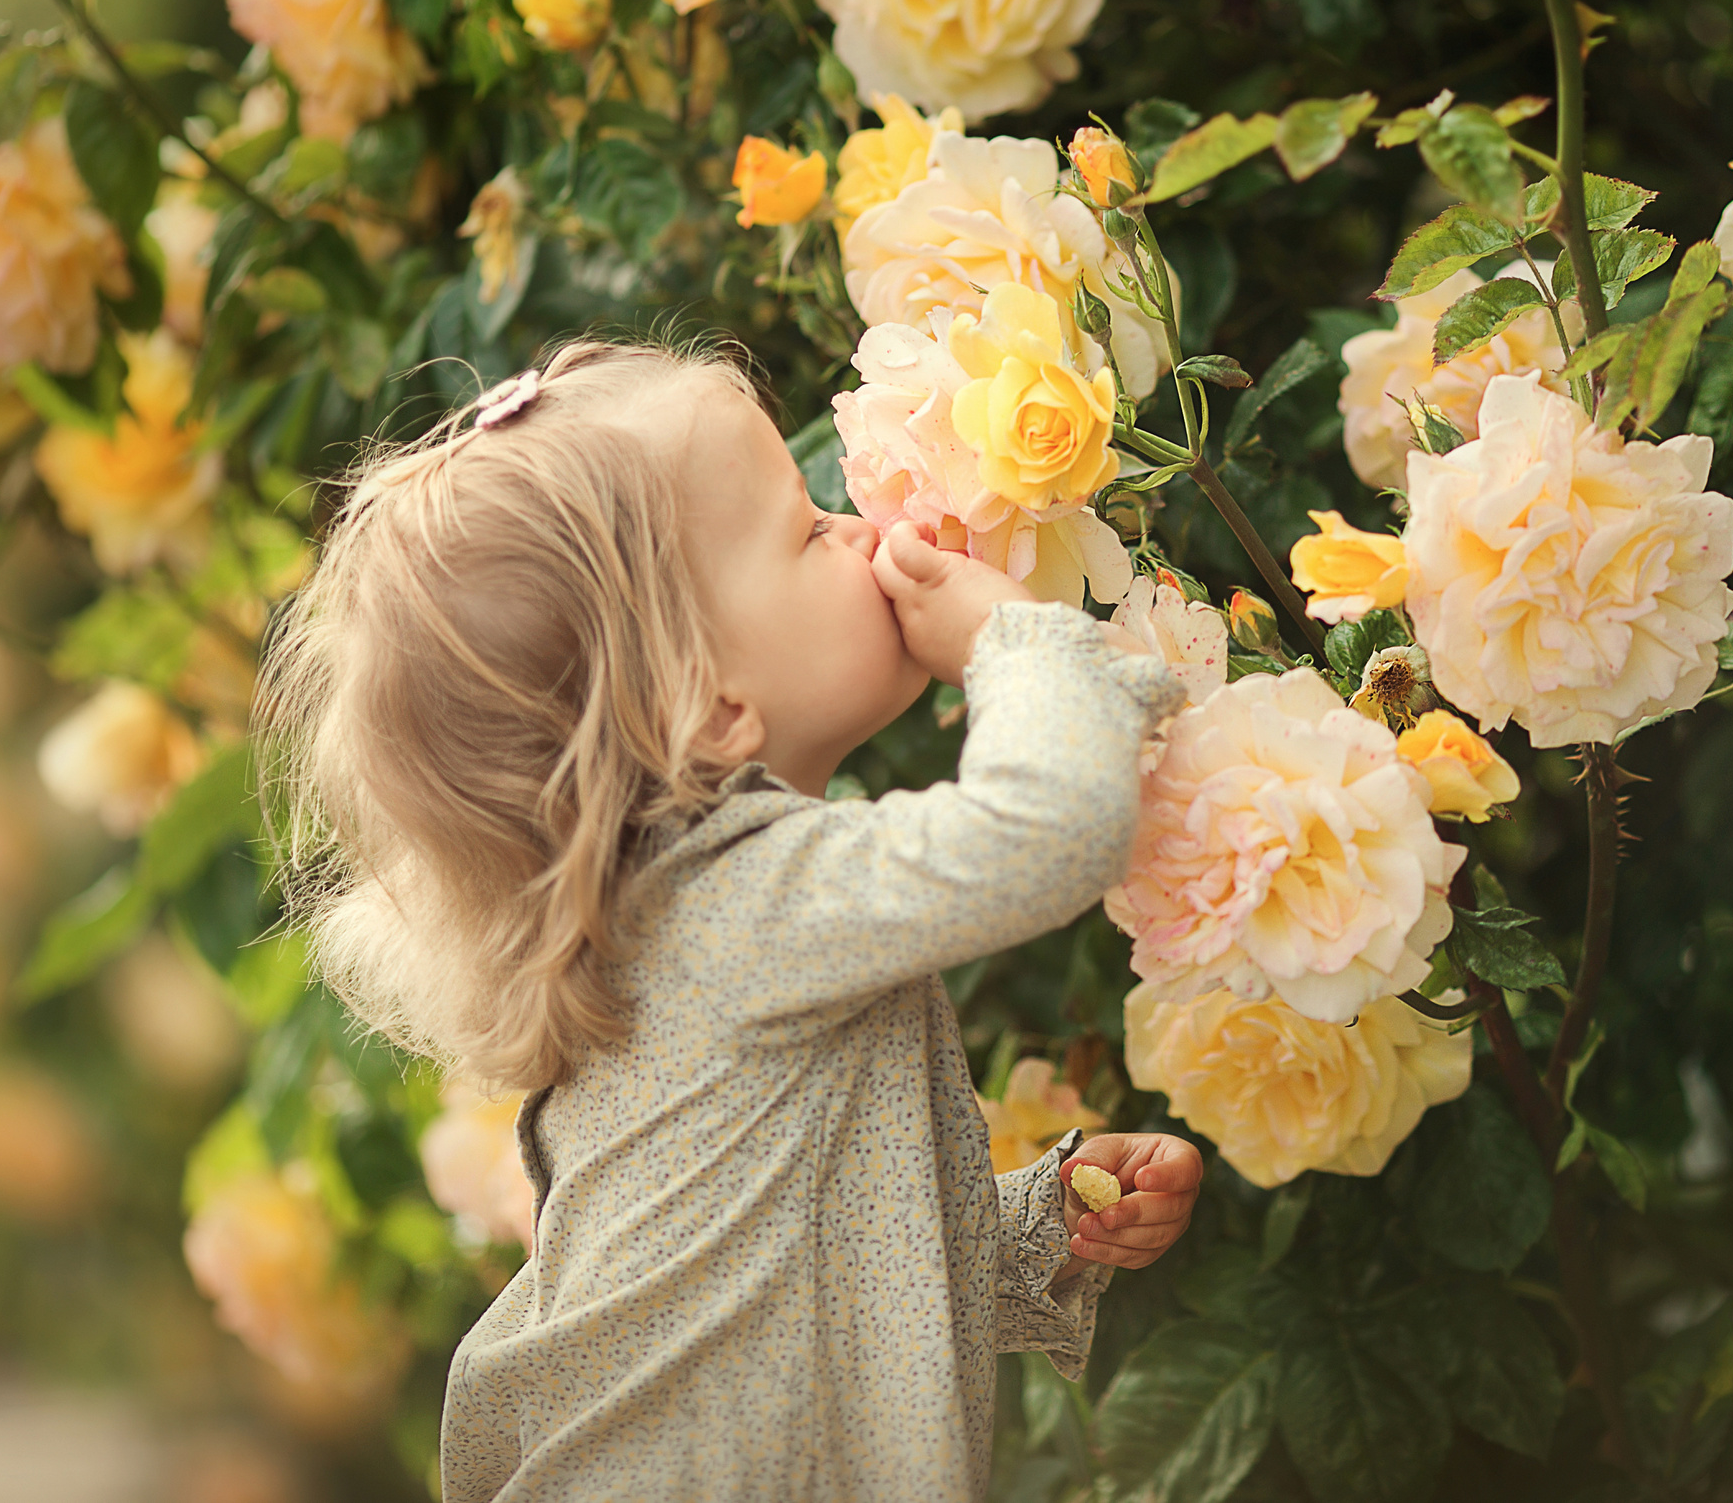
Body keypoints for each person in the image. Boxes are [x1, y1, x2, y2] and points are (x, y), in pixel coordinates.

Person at [258, 338, 1204, 1501]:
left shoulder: (679, 920)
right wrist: (1018, 638)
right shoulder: (737, 904)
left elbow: (795, 1274)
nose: (855, 534)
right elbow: (1049, 834)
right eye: (807, 532)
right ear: (709, 709)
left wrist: (1032, 1232)